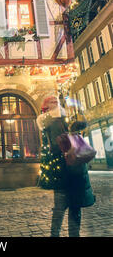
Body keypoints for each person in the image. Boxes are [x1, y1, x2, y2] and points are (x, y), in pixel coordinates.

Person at [37, 95, 95, 237]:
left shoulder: (67, 116)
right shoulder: (46, 120)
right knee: (60, 208)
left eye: (56, 100)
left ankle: (73, 235)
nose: (55, 103)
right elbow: (52, 145)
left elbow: (82, 124)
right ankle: (55, 234)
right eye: (52, 101)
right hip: (61, 170)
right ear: (46, 106)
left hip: (75, 170)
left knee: (75, 208)